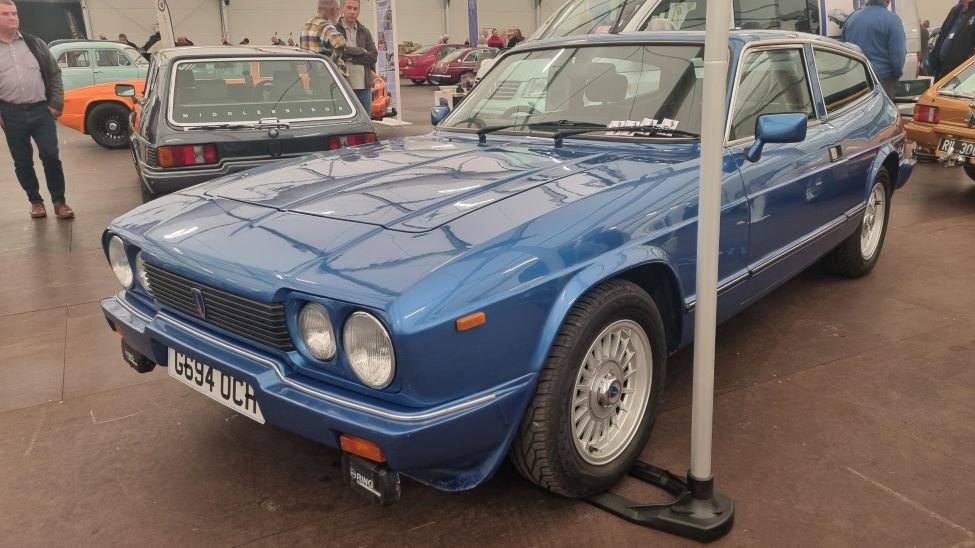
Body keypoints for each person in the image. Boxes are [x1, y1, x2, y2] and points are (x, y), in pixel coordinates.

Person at [0, 0, 74, 219]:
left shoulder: (35, 43)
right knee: (22, 161)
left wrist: (56, 103)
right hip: (11, 114)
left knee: (51, 156)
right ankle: (36, 202)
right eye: (5, 14)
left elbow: (54, 74)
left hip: (42, 111)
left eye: (14, 13)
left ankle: (59, 202)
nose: (12, 17)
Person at [842, 0, 905, 98]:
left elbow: (844, 49)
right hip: (882, 80)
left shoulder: (851, 19)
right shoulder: (893, 20)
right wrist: (896, 75)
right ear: (887, 1)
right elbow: (898, 55)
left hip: (855, 80)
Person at [336, 0, 378, 111]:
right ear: (342, 9)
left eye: (355, 9)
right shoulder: (334, 30)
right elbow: (337, 50)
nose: (352, 12)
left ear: (359, 11)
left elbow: (373, 56)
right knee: (346, 120)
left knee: (365, 120)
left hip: (364, 88)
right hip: (342, 87)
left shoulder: (364, 31)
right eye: (349, 8)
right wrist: (360, 51)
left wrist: (350, 57)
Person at [300, 0, 348, 78]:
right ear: (334, 10)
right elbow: (341, 44)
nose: (339, 14)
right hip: (327, 76)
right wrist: (331, 63)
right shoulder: (326, 27)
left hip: (310, 74)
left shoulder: (306, 26)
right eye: (338, 10)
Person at [930, 0, 975, 80]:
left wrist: (965, 72)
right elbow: (942, 34)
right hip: (940, 69)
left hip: (959, 75)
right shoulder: (955, 10)